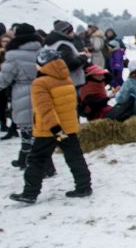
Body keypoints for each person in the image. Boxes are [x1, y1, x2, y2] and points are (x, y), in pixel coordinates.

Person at [9, 48, 92, 204]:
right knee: (74, 156)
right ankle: (84, 186)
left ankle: (30, 193)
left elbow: (45, 109)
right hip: (68, 127)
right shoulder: (66, 79)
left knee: (36, 159)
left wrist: (56, 130)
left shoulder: (40, 83)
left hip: (50, 130)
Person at [0, 23, 42, 168]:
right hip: (42, 91)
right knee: (39, 130)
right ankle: (24, 160)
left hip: (23, 93)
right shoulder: (42, 50)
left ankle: (42, 166)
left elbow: (4, 78)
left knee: (28, 131)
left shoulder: (14, 55)